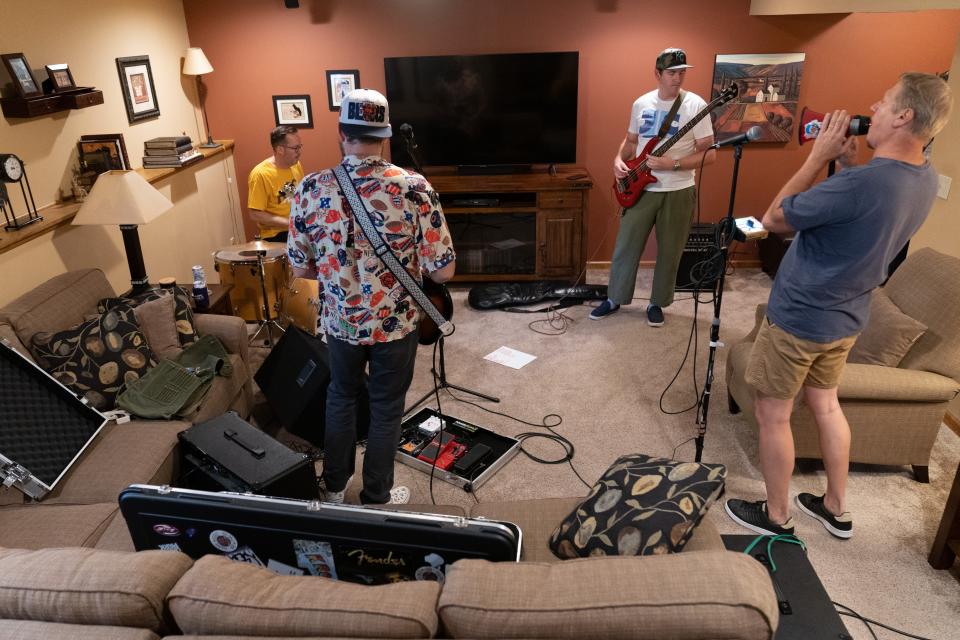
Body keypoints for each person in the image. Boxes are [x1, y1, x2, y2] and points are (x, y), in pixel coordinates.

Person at [725, 72, 953, 540]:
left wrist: (817, 158)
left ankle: (775, 515)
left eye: (886, 100)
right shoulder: (924, 178)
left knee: (773, 414)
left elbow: (773, 218)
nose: (875, 103)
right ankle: (835, 506)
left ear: (904, 116)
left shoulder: (863, 184)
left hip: (801, 315)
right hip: (848, 316)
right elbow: (867, 214)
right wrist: (848, 167)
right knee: (826, 405)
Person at [287, 89, 456, 506]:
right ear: (384, 137)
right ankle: (376, 494)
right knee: (386, 408)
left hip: (342, 322)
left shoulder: (310, 187)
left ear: (343, 133)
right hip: (395, 323)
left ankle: (335, 487)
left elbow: (300, 266)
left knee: (340, 397)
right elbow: (443, 271)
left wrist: (337, 273)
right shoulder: (414, 187)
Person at [591, 47, 716, 326]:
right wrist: (617, 160)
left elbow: (709, 154)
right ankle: (614, 298)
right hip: (641, 189)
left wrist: (672, 164)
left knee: (670, 251)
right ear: (657, 73)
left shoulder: (696, 105)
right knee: (626, 246)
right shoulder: (641, 104)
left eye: (682, 72)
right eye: (672, 73)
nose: (678, 78)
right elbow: (632, 141)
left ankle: (657, 302)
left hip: (678, 190)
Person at [247, 125, 304, 243]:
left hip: (297, 227)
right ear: (280, 150)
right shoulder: (261, 174)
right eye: (295, 148)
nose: (299, 152)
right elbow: (255, 214)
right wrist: (290, 222)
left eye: (300, 147)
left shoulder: (295, 165)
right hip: (276, 234)